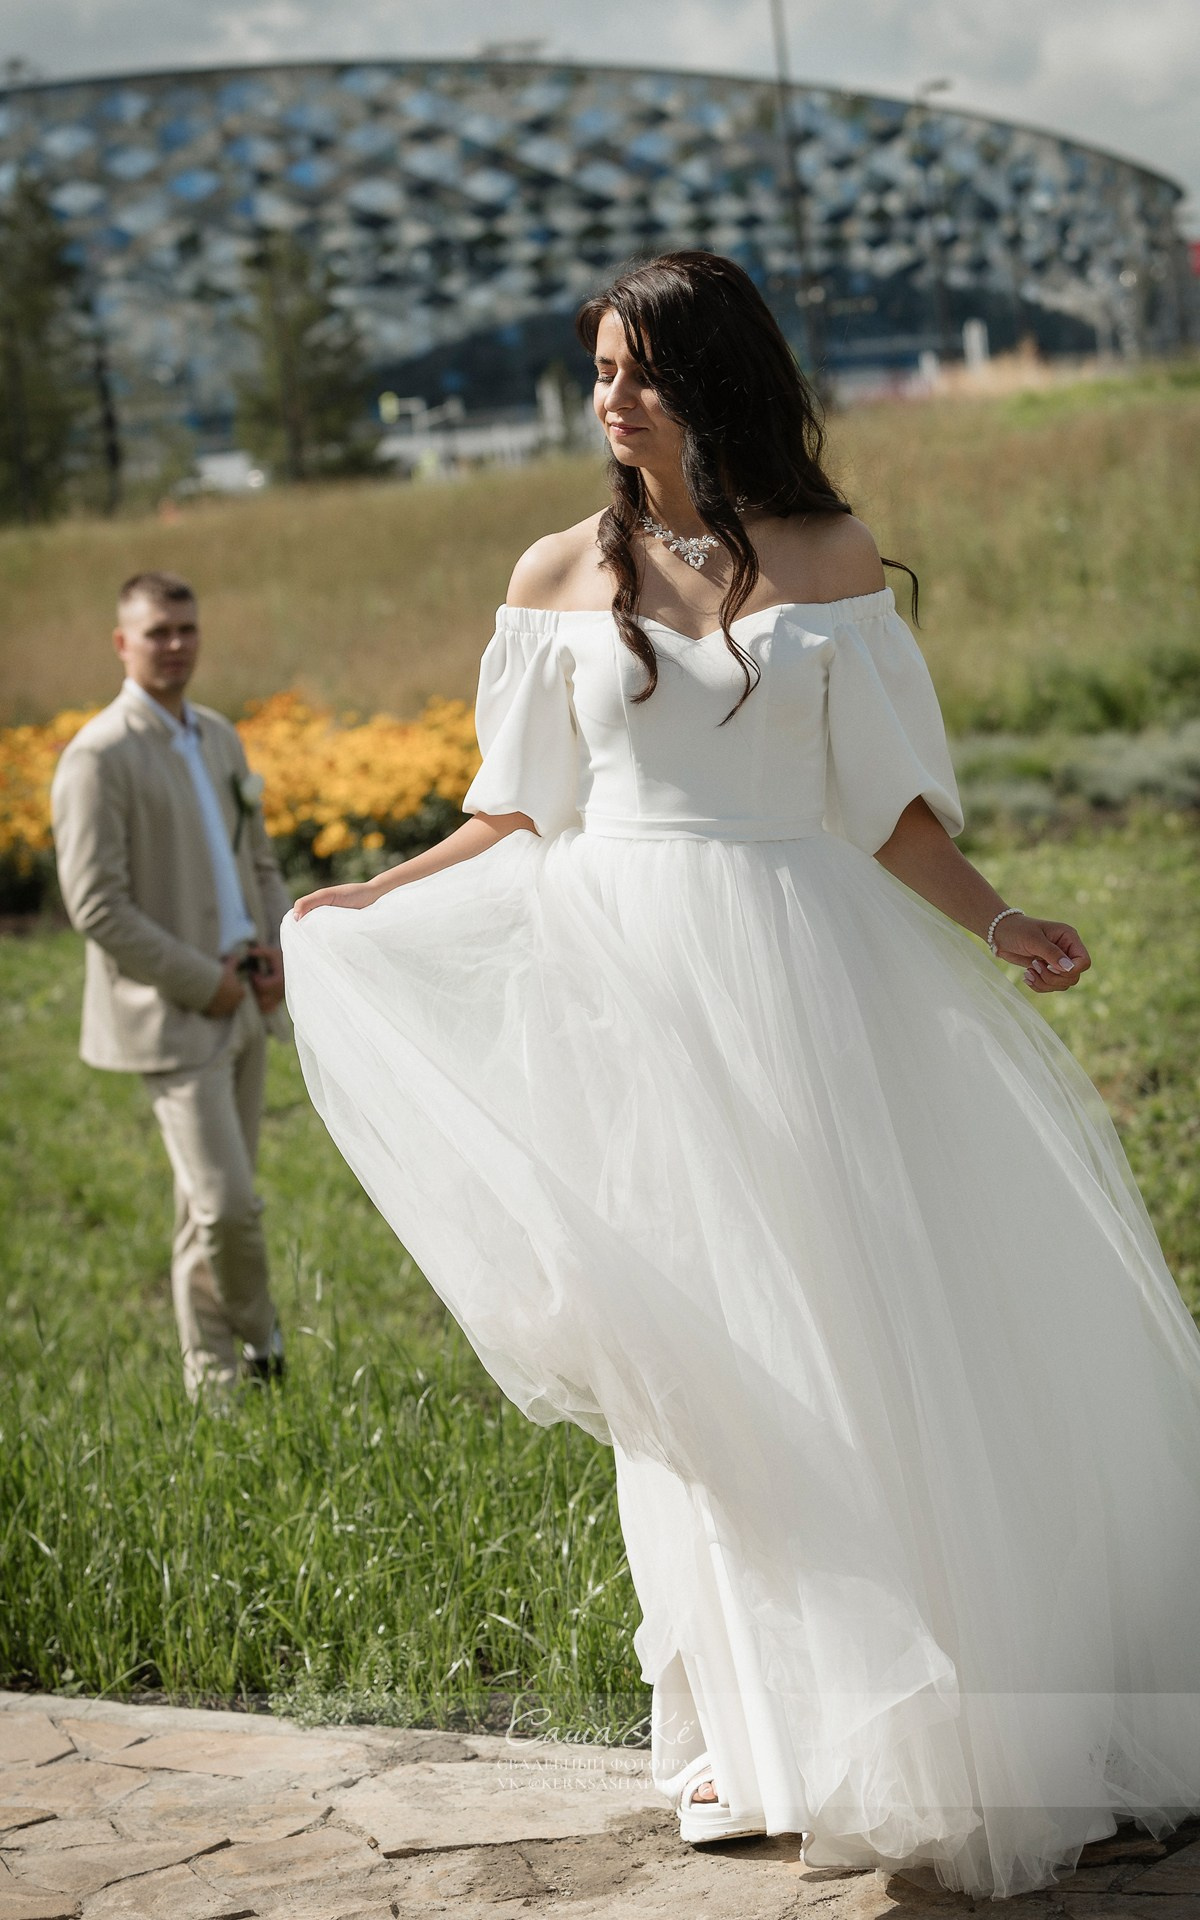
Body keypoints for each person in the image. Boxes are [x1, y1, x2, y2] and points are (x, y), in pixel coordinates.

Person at [280, 253, 1200, 1900]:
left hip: (814, 983)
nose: (609, 399)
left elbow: (885, 804)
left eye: (638, 369)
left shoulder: (832, 559)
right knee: (698, 1373)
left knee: (862, 1344)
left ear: (713, 378)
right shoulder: (559, 573)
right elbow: (515, 808)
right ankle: (747, 1739)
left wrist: (1000, 923)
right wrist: (370, 898)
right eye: (601, 371)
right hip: (633, 1002)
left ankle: (945, 1723)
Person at [51, 570, 292, 1399]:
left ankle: (213, 1381)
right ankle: (263, 1341)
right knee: (226, 1207)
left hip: (247, 1004)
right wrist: (203, 981)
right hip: (174, 1012)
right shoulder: (97, 756)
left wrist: (277, 949)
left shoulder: (220, 736)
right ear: (122, 643)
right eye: (157, 631)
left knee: (204, 1210)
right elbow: (95, 905)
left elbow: (257, 861)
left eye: (187, 628)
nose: (176, 644)